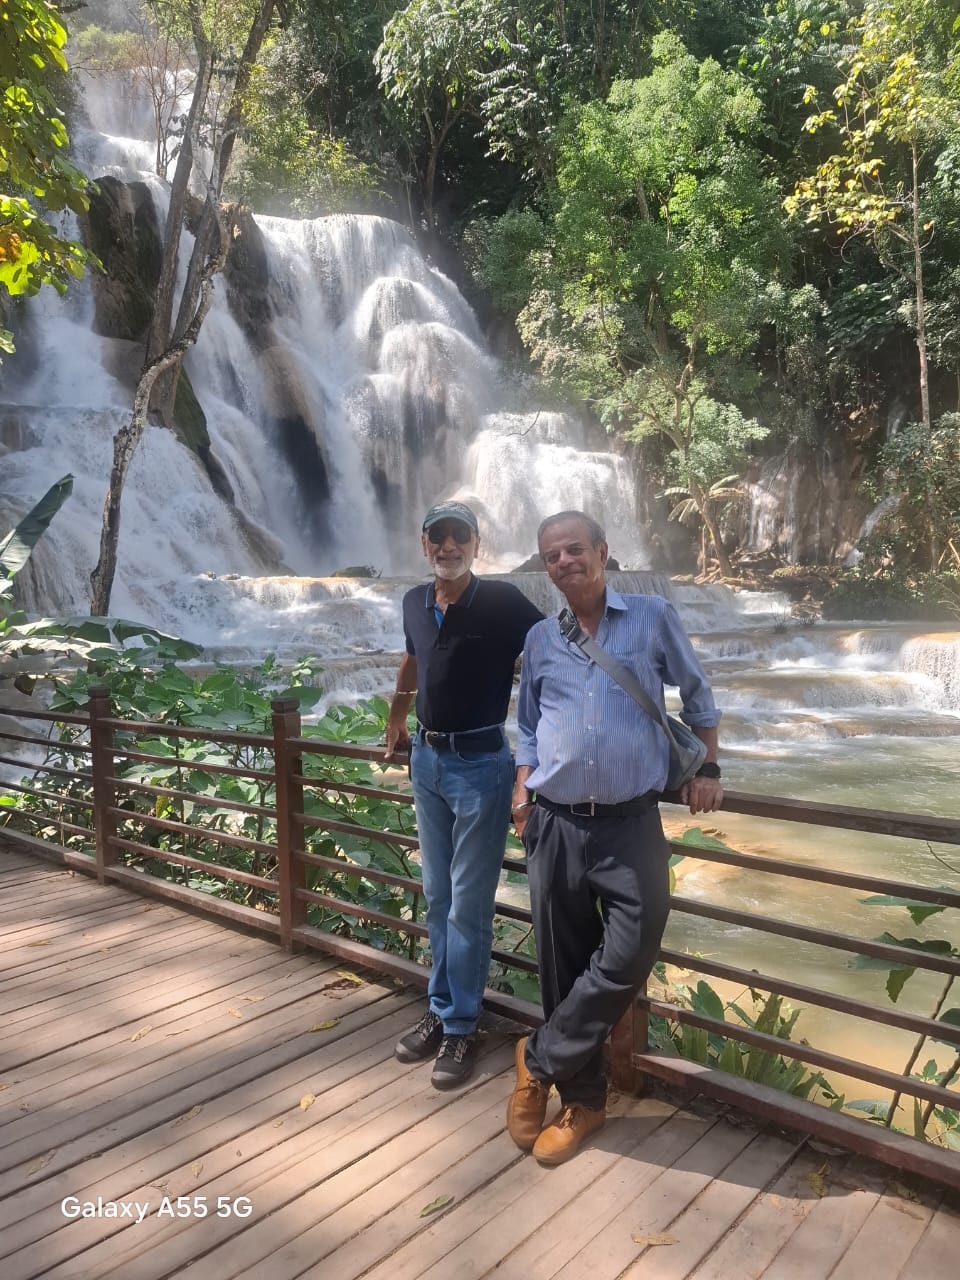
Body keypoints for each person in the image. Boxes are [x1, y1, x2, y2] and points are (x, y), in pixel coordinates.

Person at [508, 510, 723, 1164]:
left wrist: (709, 768)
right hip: (555, 820)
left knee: (635, 944)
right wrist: (522, 791)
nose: (564, 562)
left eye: (575, 549)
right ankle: (585, 1103)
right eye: (552, 555)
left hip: (630, 821)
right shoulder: (541, 637)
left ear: (603, 552)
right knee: (564, 965)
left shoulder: (652, 617)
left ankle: (537, 1058)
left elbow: (698, 694)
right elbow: (528, 725)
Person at [385, 500, 544, 1089]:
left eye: (460, 536)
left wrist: (541, 754)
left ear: (477, 544)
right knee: (437, 896)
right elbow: (412, 661)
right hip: (426, 760)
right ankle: (441, 1007)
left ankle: (461, 1025)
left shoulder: (502, 602)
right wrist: (395, 722)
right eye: (438, 536)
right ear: (424, 543)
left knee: (468, 904)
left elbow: (556, 652)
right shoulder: (414, 601)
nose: (448, 546)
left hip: (480, 765)